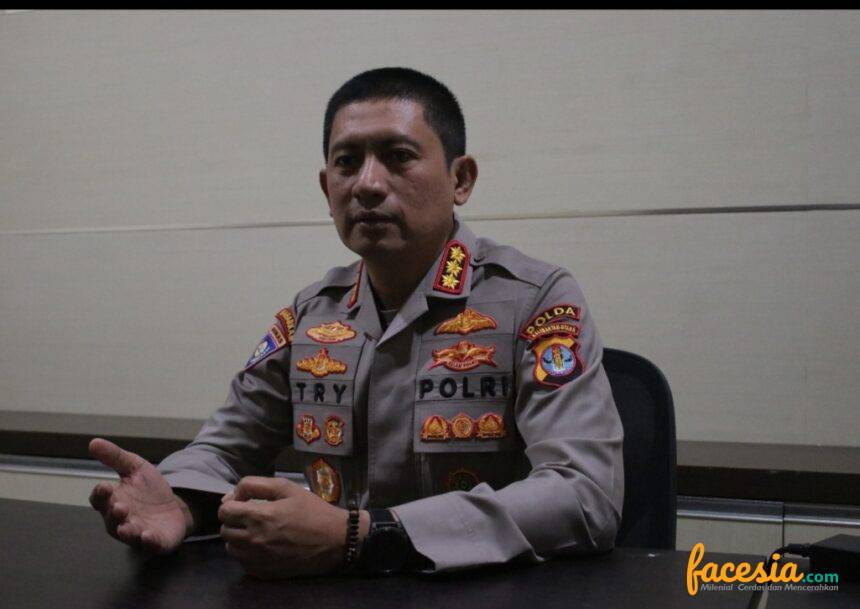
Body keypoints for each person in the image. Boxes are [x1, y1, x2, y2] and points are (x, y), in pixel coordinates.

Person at [88, 67, 624, 577]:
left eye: (398, 157)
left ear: (460, 179)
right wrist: (182, 503)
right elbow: (226, 449)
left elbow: (585, 495)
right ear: (327, 189)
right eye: (347, 163)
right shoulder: (312, 313)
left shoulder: (534, 299)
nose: (367, 184)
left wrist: (365, 536)